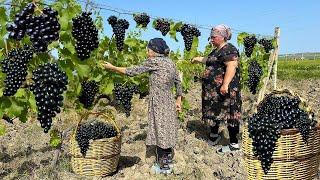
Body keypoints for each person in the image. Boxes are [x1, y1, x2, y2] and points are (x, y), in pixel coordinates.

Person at [101, 38, 182, 173]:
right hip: (169, 100)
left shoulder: (154, 61)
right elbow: (178, 81)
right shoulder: (171, 63)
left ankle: (164, 167)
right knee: (167, 130)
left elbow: (132, 71)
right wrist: (178, 100)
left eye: (148, 49)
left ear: (155, 51)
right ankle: (168, 162)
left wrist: (113, 68)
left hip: (158, 102)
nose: (147, 51)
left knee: (160, 131)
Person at [192, 24, 242, 155]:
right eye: (210, 37)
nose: (211, 39)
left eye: (213, 37)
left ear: (222, 37)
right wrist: (197, 59)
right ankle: (214, 136)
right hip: (214, 92)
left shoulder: (229, 49)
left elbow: (232, 66)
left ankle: (234, 144)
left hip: (226, 90)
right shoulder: (216, 51)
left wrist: (225, 84)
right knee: (214, 111)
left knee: (231, 114)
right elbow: (211, 60)